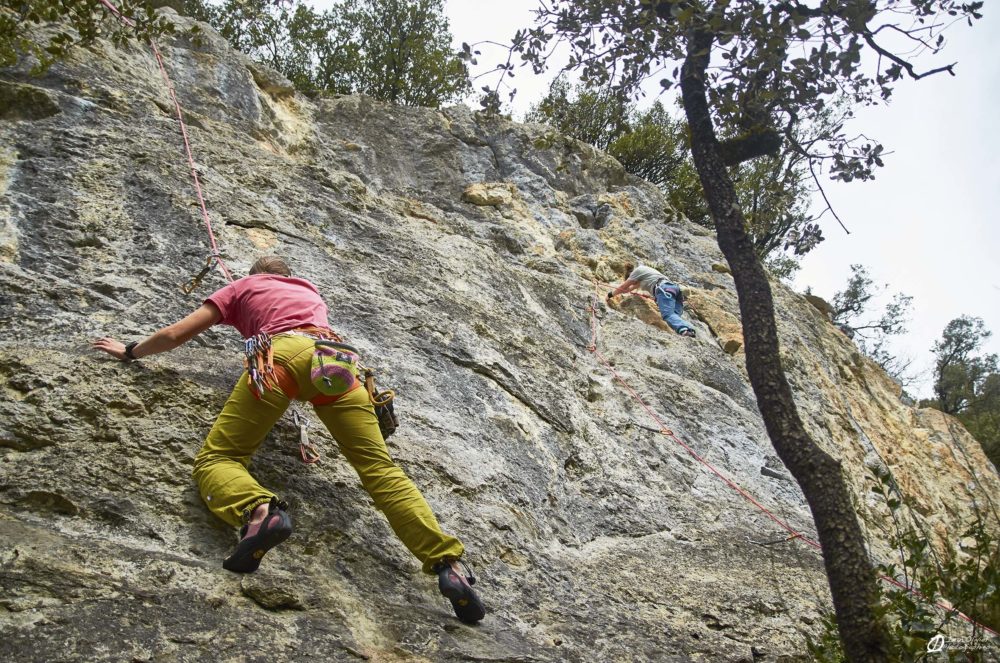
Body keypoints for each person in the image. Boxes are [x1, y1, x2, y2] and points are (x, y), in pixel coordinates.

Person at [92, 256, 485, 624]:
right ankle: (448, 566)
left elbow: (176, 334)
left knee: (219, 458)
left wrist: (130, 350)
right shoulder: (308, 289)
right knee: (380, 469)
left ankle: (260, 511)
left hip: (282, 356)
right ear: (284, 274)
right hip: (337, 362)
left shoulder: (241, 286)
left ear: (254, 273)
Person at [607, 262, 696, 337]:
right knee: (674, 316)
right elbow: (628, 289)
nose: (634, 284)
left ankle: (684, 330)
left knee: (668, 315)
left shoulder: (637, 271)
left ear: (631, 276)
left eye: (632, 281)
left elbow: (624, 287)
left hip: (663, 289)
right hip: (674, 289)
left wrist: (610, 295)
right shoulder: (646, 273)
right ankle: (689, 330)